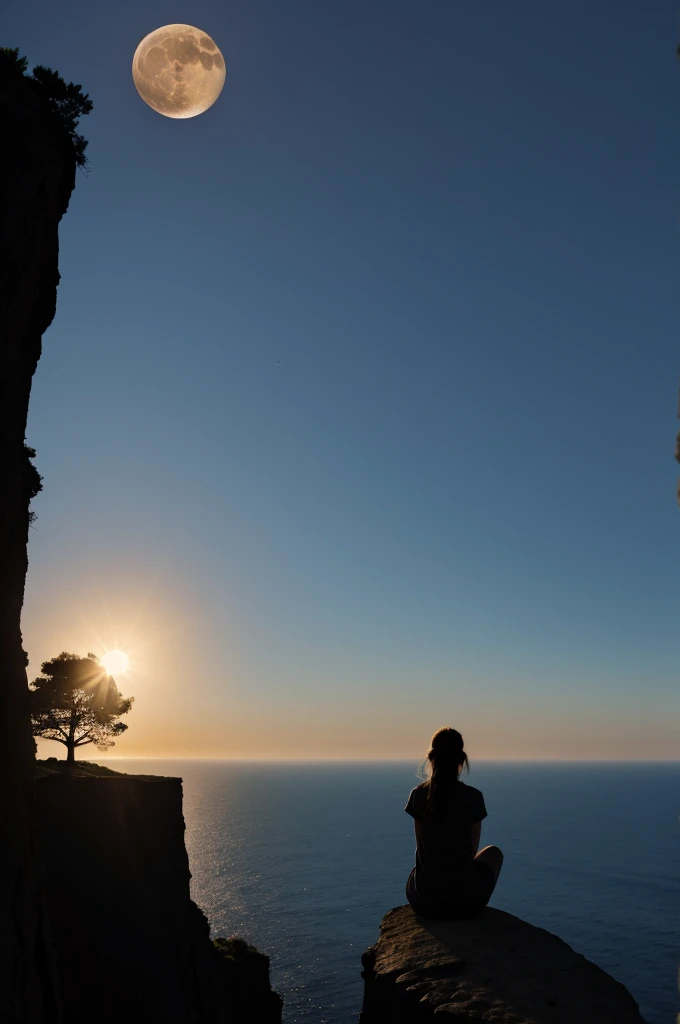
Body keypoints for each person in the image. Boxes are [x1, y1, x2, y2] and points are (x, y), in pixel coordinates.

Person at [404, 727, 503, 919]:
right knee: (494, 853)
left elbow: (421, 846)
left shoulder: (418, 795)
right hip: (465, 903)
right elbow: (472, 851)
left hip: (425, 902)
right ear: (461, 760)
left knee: (418, 869)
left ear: (431, 757)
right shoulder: (474, 797)